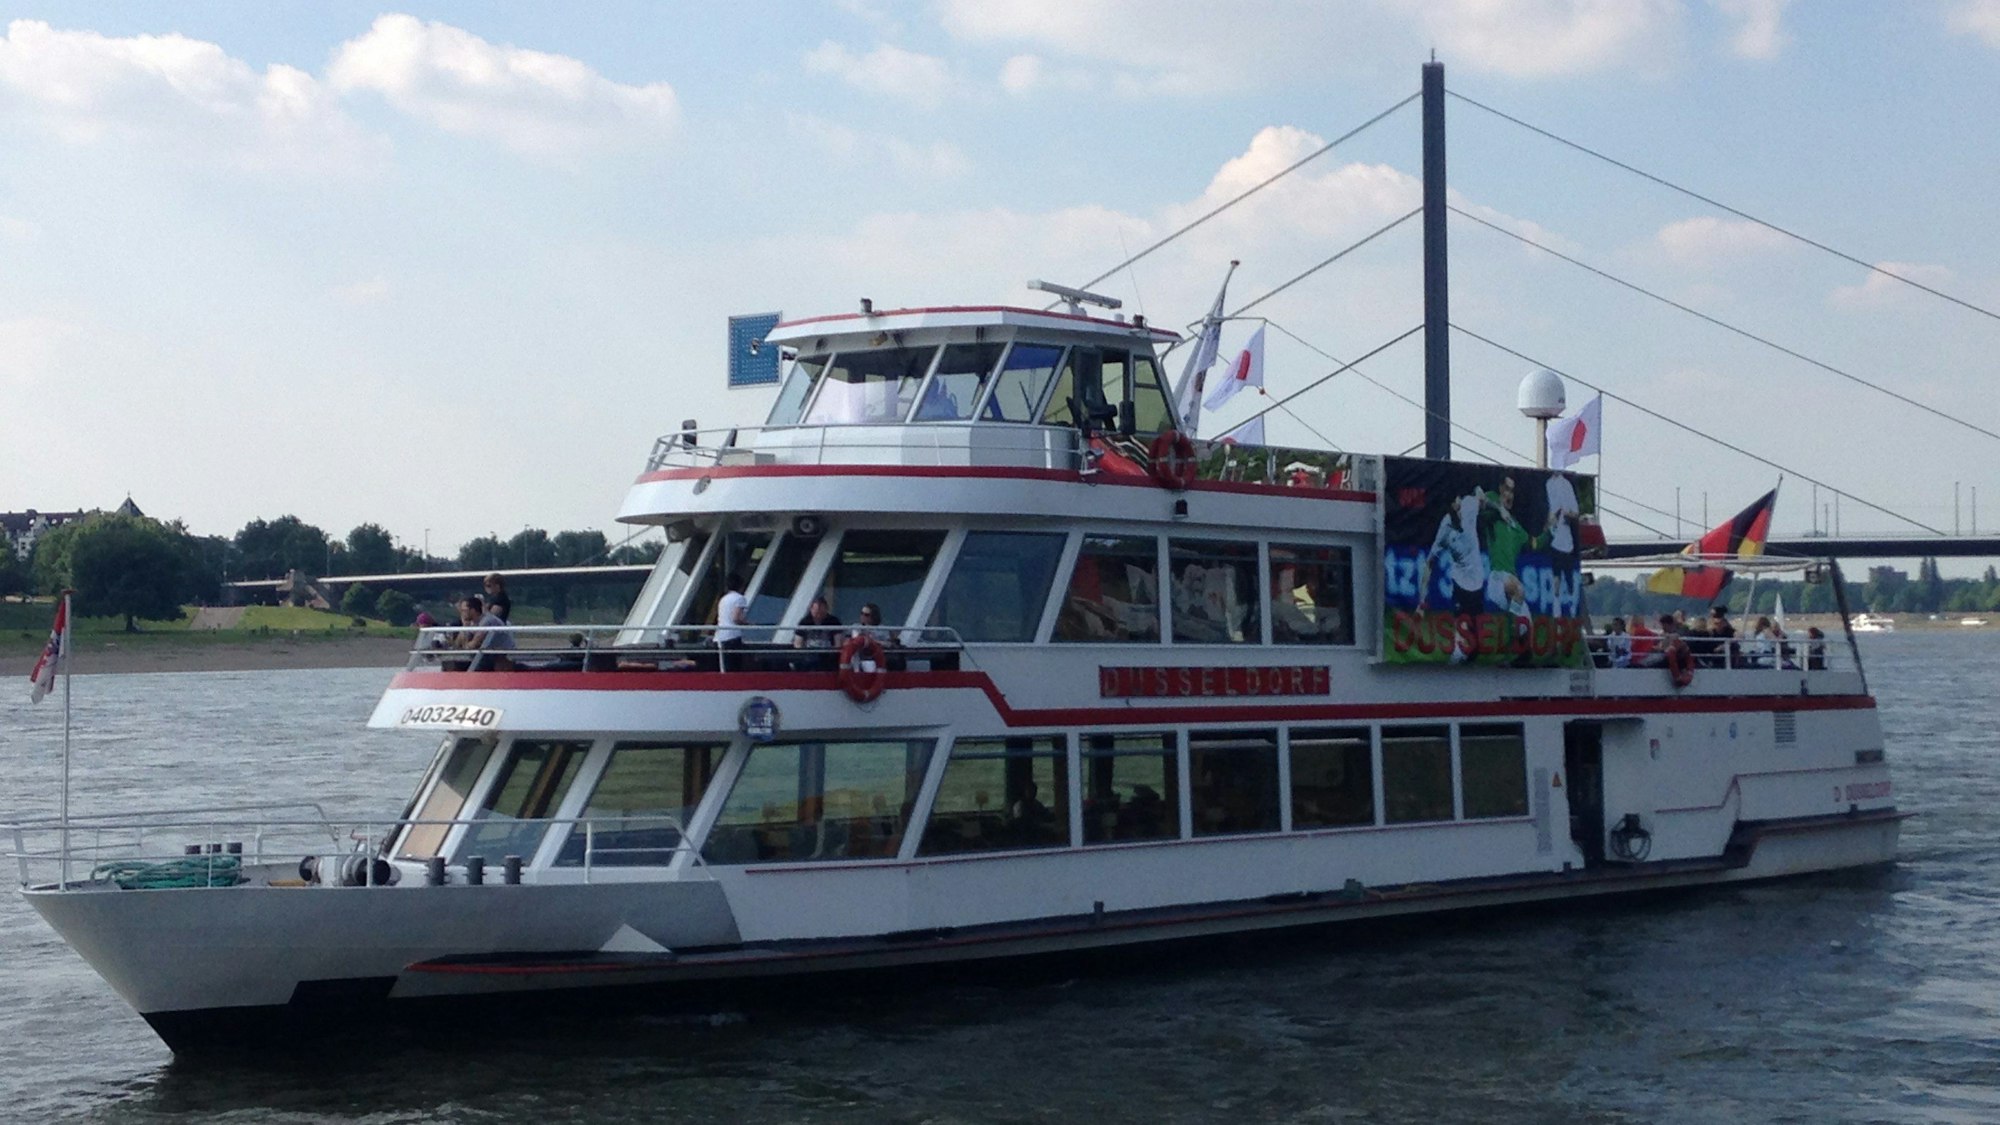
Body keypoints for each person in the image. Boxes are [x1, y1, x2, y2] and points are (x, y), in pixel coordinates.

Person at [715, 572, 749, 651]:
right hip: (732, 636)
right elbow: (736, 618)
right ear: (741, 586)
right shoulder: (740, 598)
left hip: (720, 635)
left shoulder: (723, 599)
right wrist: (747, 624)